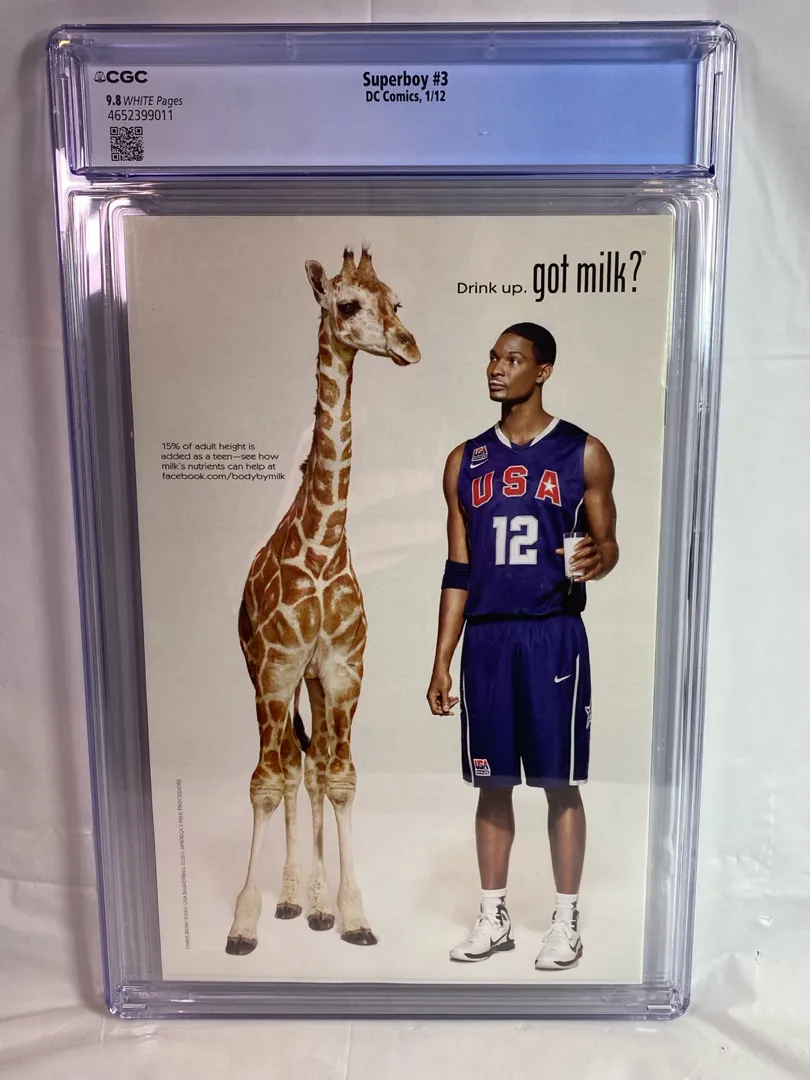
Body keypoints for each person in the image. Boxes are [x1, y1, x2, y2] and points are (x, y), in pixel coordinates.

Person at [426, 322, 618, 970]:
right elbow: (458, 568)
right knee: (493, 783)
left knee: (560, 783)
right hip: (486, 637)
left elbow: (608, 544)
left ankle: (565, 921)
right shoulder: (465, 460)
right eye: (493, 357)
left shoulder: (583, 452)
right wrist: (441, 660)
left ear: (543, 371)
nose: (496, 369)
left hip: (551, 633)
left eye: (512, 359)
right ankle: (494, 916)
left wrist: (599, 559)